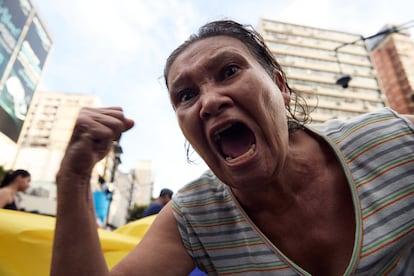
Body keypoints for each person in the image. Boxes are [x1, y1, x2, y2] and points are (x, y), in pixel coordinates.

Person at [51, 20, 414, 275]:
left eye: (228, 72)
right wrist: (73, 178)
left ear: (280, 86)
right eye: (187, 95)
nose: (208, 102)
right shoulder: (194, 218)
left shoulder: (393, 139)